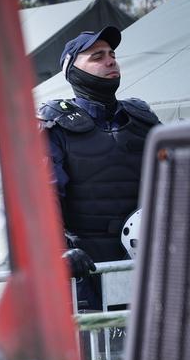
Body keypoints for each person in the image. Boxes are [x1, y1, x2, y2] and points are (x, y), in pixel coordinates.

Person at [37, 26, 160, 310]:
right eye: (97, 56)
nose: (110, 61)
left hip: (152, 264)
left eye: (112, 54)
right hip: (87, 271)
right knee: (98, 353)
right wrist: (58, 252)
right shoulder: (54, 124)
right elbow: (43, 197)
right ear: (73, 70)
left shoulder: (142, 118)